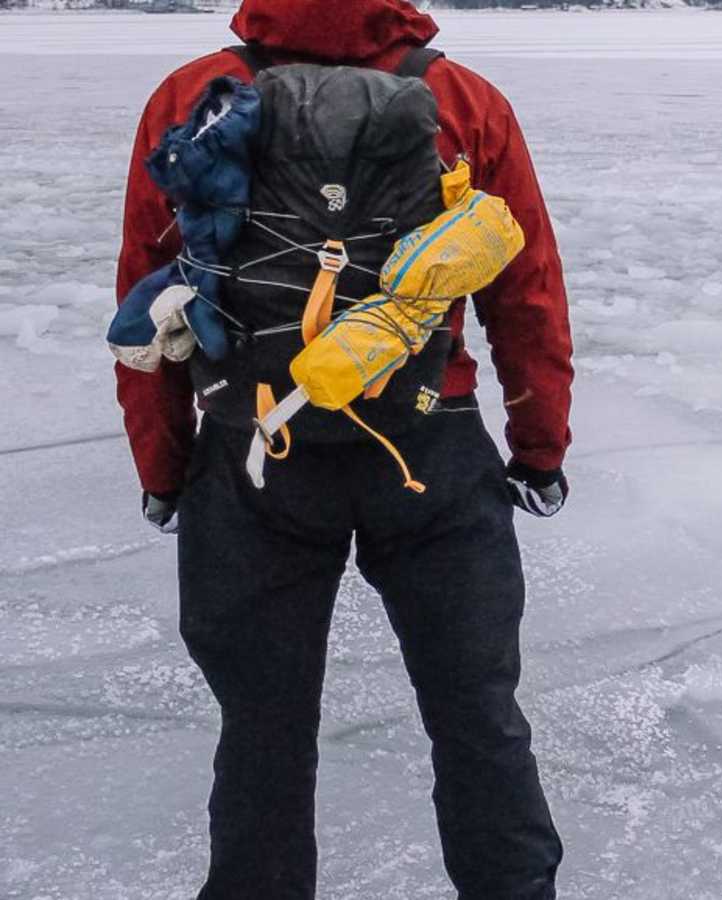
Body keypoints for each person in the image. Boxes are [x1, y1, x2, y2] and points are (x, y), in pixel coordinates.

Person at [113, 0, 570, 896]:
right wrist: (539, 445)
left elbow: (149, 289)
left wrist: (165, 470)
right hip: (428, 443)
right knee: (477, 715)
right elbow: (524, 289)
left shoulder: (191, 96)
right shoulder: (464, 100)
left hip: (253, 449)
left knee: (262, 730)